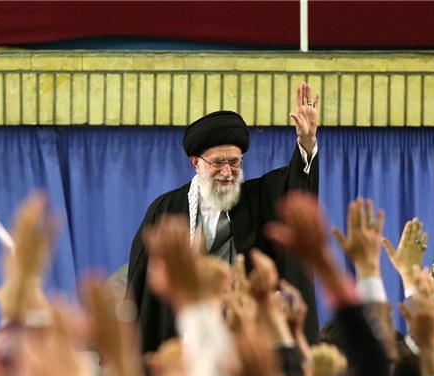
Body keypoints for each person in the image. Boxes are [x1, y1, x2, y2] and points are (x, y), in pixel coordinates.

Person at [126, 82, 320, 356]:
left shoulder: (257, 198)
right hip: (185, 340)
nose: (227, 172)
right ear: (196, 162)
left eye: (235, 162)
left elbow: (295, 190)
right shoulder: (166, 209)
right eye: (218, 162)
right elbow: (141, 284)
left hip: (243, 340)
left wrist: (306, 143)